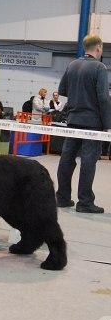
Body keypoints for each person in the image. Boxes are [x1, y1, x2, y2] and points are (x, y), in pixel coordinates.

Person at [56, 35, 111, 213]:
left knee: (66, 158)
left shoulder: (72, 65)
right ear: (99, 47)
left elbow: (62, 90)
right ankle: (85, 202)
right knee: (88, 161)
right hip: (92, 123)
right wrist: (107, 123)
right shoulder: (100, 67)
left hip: (73, 121)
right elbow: (103, 97)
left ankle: (62, 198)